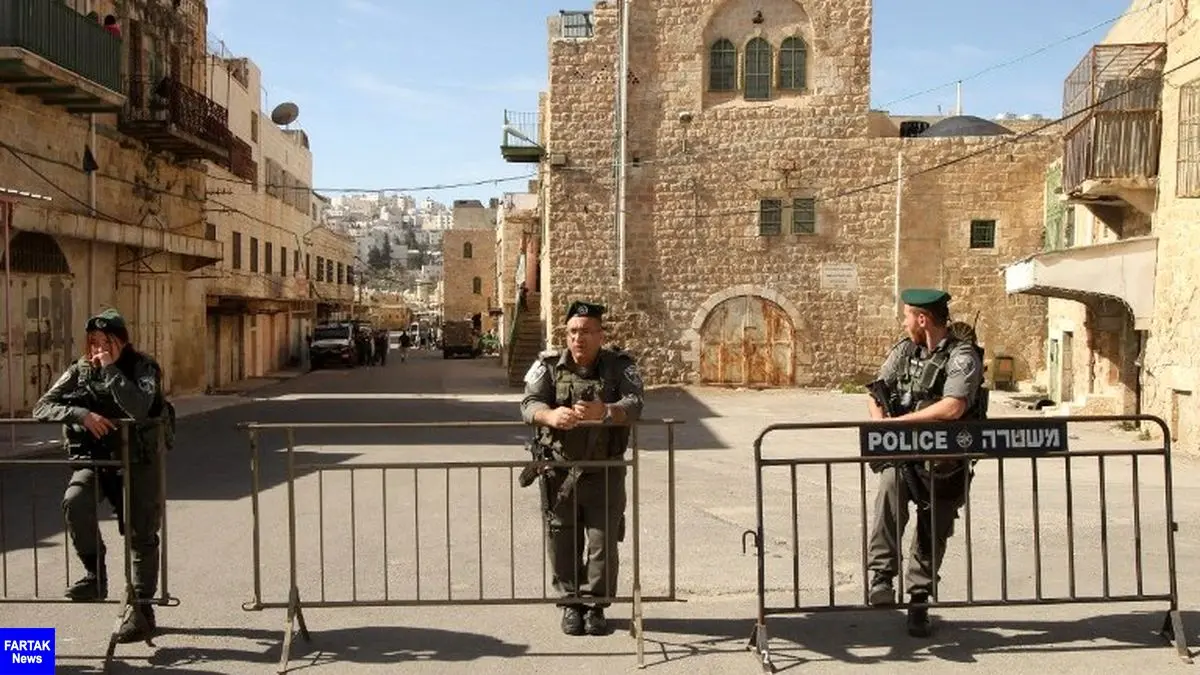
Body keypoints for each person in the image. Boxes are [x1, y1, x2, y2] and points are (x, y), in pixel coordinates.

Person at [32, 309, 169, 644]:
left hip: (138, 460)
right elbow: (42, 407)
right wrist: (81, 414)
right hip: (95, 460)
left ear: (121, 341)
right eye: (93, 342)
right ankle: (95, 574)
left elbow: (138, 407)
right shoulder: (80, 370)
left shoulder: (143, 368)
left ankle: (141, 609)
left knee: (142, 533)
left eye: (105, 342)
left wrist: (109, 368)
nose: (97, 349)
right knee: (75, 501)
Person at [864, 288, 985, 638]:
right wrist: (880, 421)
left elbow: (954, 406)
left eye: (906, 316)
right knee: (888, 494)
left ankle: (919, 599)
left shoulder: (962, 356)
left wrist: (898, 425)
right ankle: (881, 577)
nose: (903, 323)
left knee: (933, 528)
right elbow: (875, 390)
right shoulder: (905, 350)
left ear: (922, 319)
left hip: (945, 459)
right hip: (905, 454)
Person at [520, 301, 644, 636]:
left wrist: (605, 412)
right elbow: (529, 403)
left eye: (587, 331)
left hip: (605, 470)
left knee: (603, 542)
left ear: (600, 335)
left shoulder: (620, 366)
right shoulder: (546, 365)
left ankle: (596, 607)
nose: (579, 338)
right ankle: (571, 604)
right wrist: (551, 416)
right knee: (562, 537)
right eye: (573, 331)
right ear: (566, 334)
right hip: (558, 471)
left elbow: (635, 403)